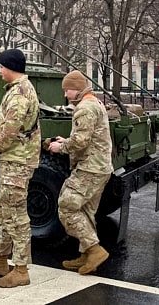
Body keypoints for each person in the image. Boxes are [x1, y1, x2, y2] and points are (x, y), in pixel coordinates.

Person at [0, 48, 41, 288]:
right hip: (13, 159)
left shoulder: (20, 93)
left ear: (10, 67)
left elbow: (11, 130)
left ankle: (21, 269)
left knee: (15, 213)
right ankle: (1, 259)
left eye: (2, 66)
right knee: (3, 208)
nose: (0, 70)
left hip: (17, 160)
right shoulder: (19, 89)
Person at [45, 70, 112, 275]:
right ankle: (85, 255)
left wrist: (60, 148)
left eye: (68, 90)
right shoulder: (95, 103)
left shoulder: (84, 108)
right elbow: (88, 138)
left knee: (67, 205)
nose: (66, 94)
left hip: (90, 168)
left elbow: (81, 142)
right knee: (85, 211)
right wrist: (65, 141)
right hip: (100, 167)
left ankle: (94, 250)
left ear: (78, 89)